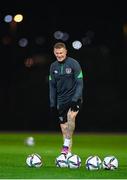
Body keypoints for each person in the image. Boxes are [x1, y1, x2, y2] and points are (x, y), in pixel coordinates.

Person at [49, 42, 83, 155]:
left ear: (66, 52)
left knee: (70, 117)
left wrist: (75, 99)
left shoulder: (74, 64)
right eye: (57, 53)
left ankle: (65, 147)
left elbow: (79, 83)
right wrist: (52, 103)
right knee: (64, 129)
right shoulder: (53, 67)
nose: (59, 55)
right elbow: (52, 86)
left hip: (74, 98)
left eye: (61, 53)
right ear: (54, 53)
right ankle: (68, 155)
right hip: (61, 101)